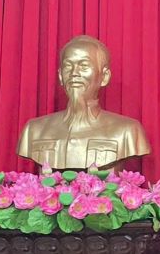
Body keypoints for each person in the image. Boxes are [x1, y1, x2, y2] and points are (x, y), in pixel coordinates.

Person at [16, 35, 150, 169]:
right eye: (68, 66)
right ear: (61, 76)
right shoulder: (34, 130)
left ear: (104, 77)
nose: (74, 73)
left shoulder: (128, 130)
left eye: (84, 66)